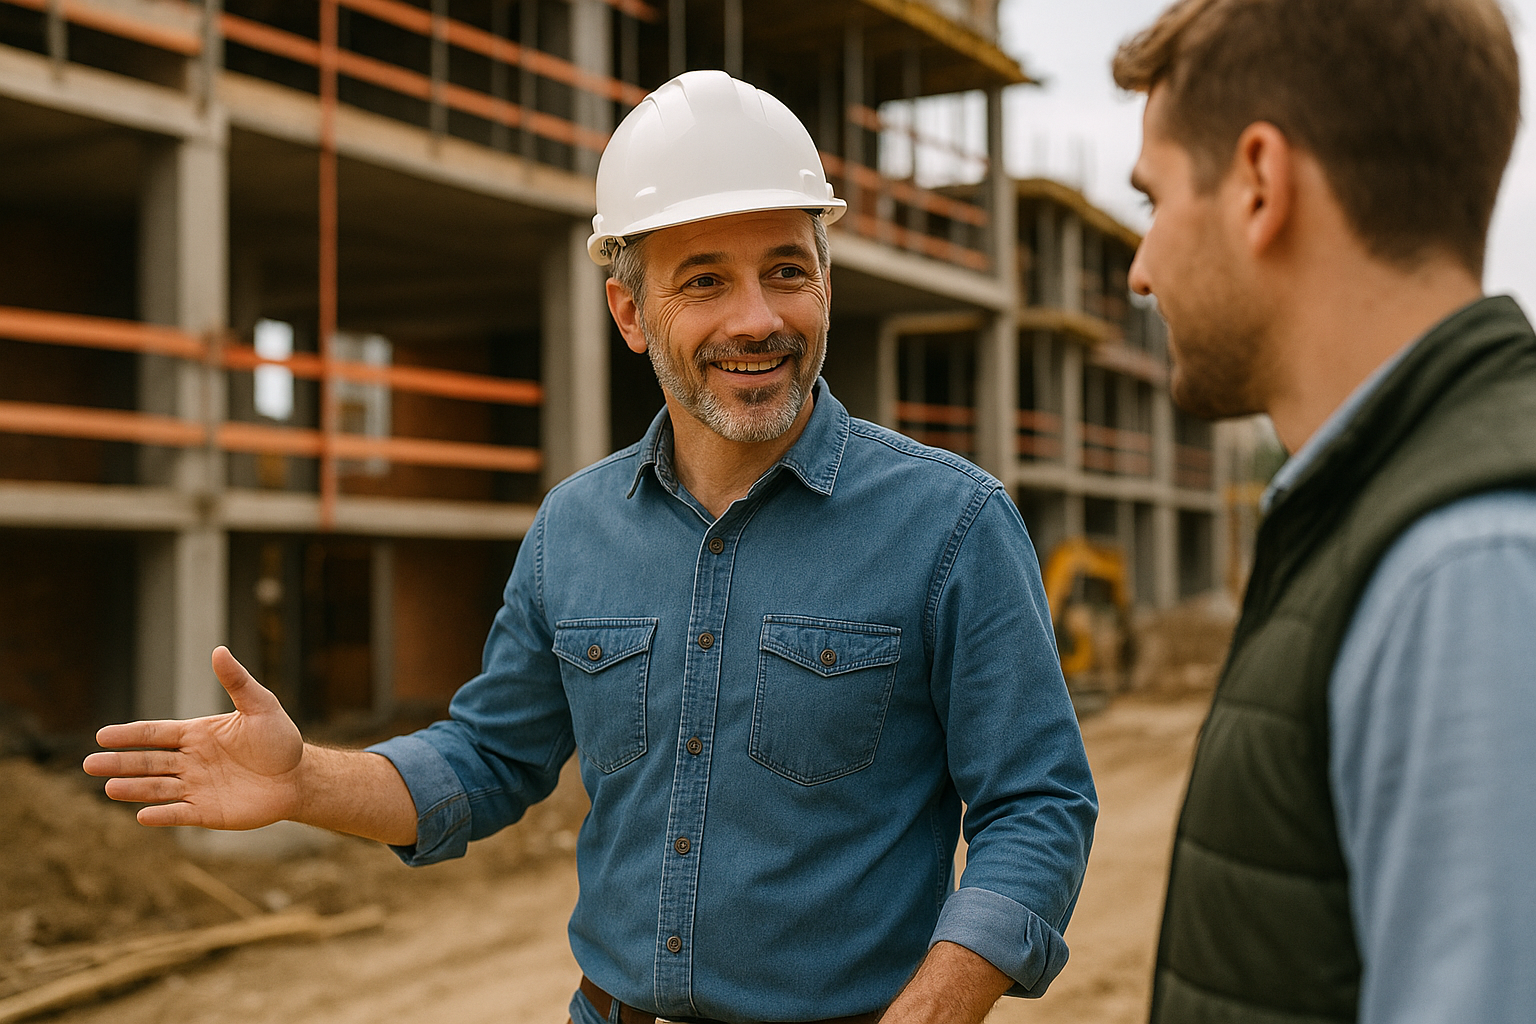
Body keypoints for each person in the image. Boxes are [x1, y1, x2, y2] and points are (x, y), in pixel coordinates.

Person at [85, 71, 1096, 1024]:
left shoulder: (951, 524)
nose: (758, 318)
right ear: (628, 309)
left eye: (787, 270)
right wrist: (305, 780)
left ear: (825, 281)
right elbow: (485, 759)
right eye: (704, 281)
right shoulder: (573, 528)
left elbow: (1038, 803)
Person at [1112, 1, 1536, 1021]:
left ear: (1260, 182)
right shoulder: (1381, 515)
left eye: (1154, 199)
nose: (1141, 268)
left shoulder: (1465, 561)